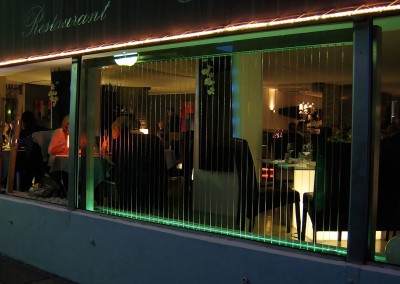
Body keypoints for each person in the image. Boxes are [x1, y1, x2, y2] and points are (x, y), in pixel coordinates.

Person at [48, 115, 69, 197]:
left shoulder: (75, 134)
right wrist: (64, 148)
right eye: (68, 124)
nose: (69, 126)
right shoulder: (58, 132)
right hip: (56, 163)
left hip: (67, 162)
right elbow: (50, 150)